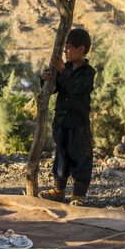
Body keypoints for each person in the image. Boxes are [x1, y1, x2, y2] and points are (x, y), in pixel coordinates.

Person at [40, 27, 95, 205]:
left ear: (81, 50)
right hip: (62, 121)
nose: (65, 51)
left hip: (79, 123)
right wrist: (45, 78)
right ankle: (59, 192)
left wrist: (63, 71)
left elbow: (76, 88)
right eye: (65, 47)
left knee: (81, 157)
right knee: (61, 157)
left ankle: (78, 196)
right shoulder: (65, 68)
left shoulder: (88, 72)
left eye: (69, 48)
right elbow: (54, 89)